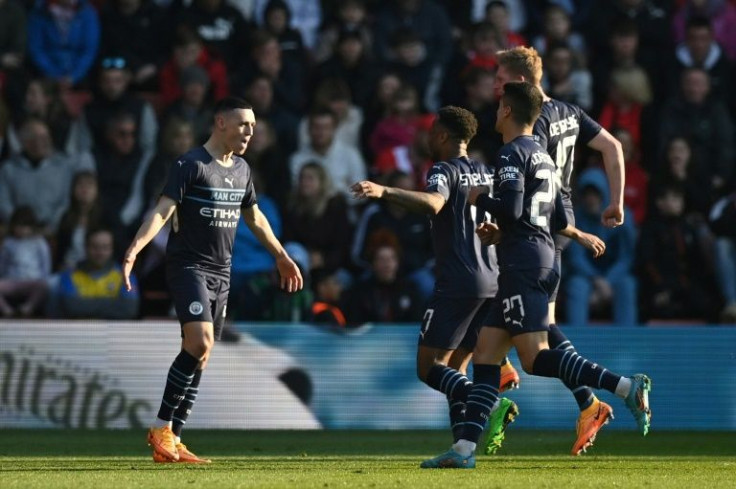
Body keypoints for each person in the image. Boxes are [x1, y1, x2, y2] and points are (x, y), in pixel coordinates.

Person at [420, 81, 651, 470]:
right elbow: (558, 216)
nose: (494, 113)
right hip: (540, 257)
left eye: (498, 107)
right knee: (487, 357)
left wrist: (482, 202)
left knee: (534, 359)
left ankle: (625, 386)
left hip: (523, 264)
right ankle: (463, 451)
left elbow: (509, 209)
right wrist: (508, 230)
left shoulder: (511, 154)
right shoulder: (543, 156)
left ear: (508, 111)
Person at [121, 96, 303, 464]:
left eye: (252, 126)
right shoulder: (190, 165)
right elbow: (162, 212)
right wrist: (134, 249)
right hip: (189, 267)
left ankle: (175, 438)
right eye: (242, 124)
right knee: (199, 340)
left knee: (202, 355)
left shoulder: (241, 170)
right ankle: (160, 427)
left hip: (223, 272)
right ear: (220, 122)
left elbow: (256, 220)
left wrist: (281, 256)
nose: (249, 132)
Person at [485, 45, 627, 455]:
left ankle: (497, 382)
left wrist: (506, 219)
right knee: (538, 325)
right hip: (554, 231)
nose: (495, 85)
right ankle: (586, 403)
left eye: (500, 79)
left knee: (509, 310)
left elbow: (532, 179)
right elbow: (613, 147)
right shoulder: (570, 111)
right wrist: (615, 201)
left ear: (521, 83)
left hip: (540, 227)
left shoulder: (535, 122)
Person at [351, 106, 513, 448]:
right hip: (492, 280)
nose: (426, 136)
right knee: (456, 369)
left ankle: (493, 403)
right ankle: (462, 447)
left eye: (431, 131)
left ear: (442, 135)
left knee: (429, 368)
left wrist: (385, 191)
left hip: (458, 281)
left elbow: (434, 203)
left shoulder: (444, 169)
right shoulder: (485, 172)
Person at [54, 227, 140, 319]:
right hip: (79, 330)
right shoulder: (69, 275)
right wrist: (113, 303)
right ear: (85, 247)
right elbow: (71, 307)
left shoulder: (126, 276)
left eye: (105, 247)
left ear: (112, 249)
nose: (100, 252)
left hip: (114, 330)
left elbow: (129, 309)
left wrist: (85, 304)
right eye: (95, 247)